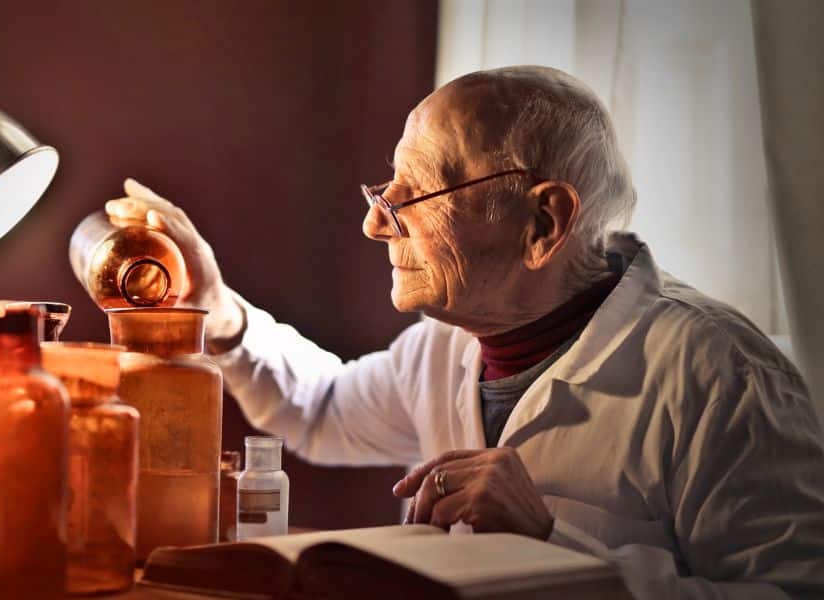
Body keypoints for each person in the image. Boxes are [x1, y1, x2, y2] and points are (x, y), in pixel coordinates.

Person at [104, 66, 824, 598]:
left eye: (416, 193)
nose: (373, 223)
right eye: (384, 189)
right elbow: (318, 410)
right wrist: (219, 311)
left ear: (543, 224)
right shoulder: (445, 347)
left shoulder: (719, 373)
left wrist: (551, 549)